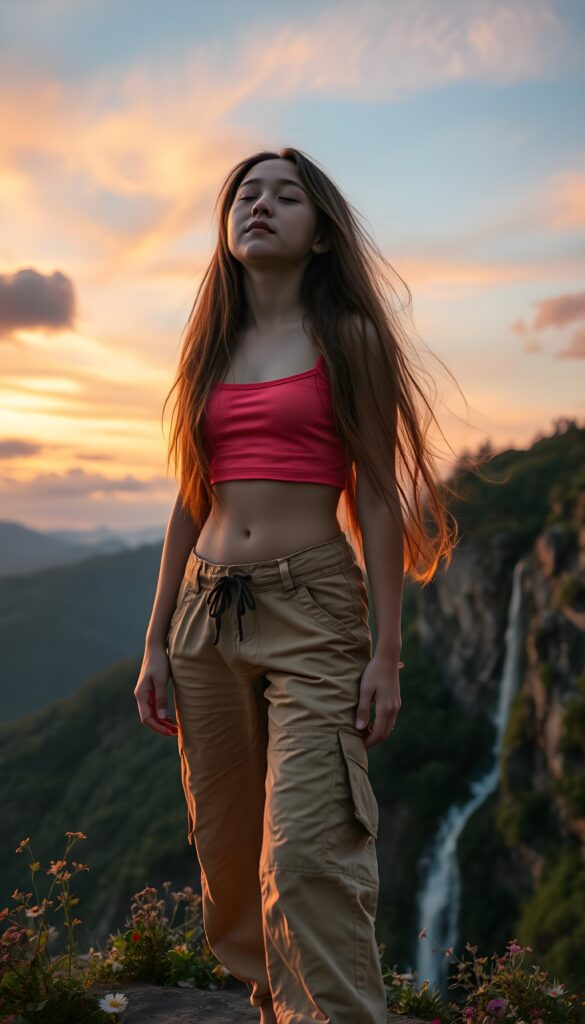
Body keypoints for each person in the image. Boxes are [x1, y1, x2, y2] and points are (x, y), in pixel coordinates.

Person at [134, 146, 461, 1023]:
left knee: (309, 854)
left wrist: (386, 653)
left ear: (320, 235)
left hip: (311, 608)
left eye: (285, 196)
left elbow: (377, 495)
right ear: (226, 226)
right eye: (246, 193)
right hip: (205, 614)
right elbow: (189, 498)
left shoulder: (348, 339)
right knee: (228, 850)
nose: (260, 204)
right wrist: (154, 640)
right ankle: (271, 1004)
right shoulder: (210, 349)